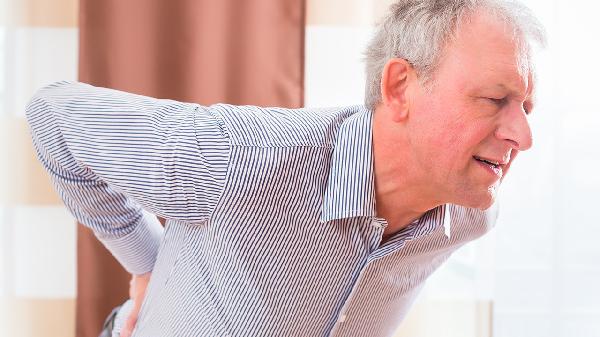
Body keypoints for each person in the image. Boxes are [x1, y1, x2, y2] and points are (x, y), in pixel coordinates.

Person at [26, 0, 545, 336]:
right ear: (400, 88)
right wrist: (146, 263)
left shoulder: (470, 211)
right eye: (495, 99)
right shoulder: (243, 159)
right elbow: (53, 115)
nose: (522, 136)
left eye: (526, 108)